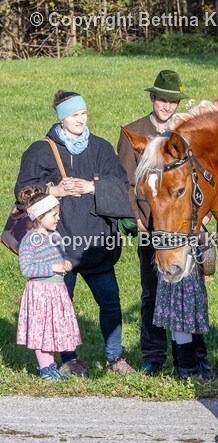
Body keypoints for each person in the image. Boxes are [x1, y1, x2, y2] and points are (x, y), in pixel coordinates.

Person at [15, 91, 133, 375]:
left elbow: (123, 187)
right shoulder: (39, 151)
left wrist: (94, 187)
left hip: (96, 243)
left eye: (83, 113)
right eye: (74, 115)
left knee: (110, 301)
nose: (80, 119)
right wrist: (53, 191)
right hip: (57, 246)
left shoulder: (102, 148)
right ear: (61, 118)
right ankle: (69, 359)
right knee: (61, 307)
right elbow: (23, 194)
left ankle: (114, 358)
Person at [117, 70, 213, 378]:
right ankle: (153, 354)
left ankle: (197, 355)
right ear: (152, 98)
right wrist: (136, 219)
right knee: (152, 291)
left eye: (172, 101)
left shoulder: (187, 133)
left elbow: (202, 178)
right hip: (151, 225)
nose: (167, 107)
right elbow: (125, 183)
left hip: (185, 225)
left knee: (192, 290)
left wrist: (205, 214)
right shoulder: (135, 132)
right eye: (162, 99)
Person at [16, 187, 81, 381]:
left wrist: (67, 262)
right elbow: (27, 268)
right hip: (41, 291)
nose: (57, 218)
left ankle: (51, 366)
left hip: (56, 290)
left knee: (52, 328)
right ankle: (45, 369)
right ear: (39, 216)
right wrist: (52, 267)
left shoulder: (55, 236)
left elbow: (61, 257)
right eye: (53, 215)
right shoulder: (30, 240)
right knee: (42, 329)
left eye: (58, 214)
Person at [153, 260, 211, 380]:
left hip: (175, 261)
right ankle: (188, 371)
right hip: (179, 261)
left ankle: (181, 366)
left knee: (178, 315)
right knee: (182, 314)